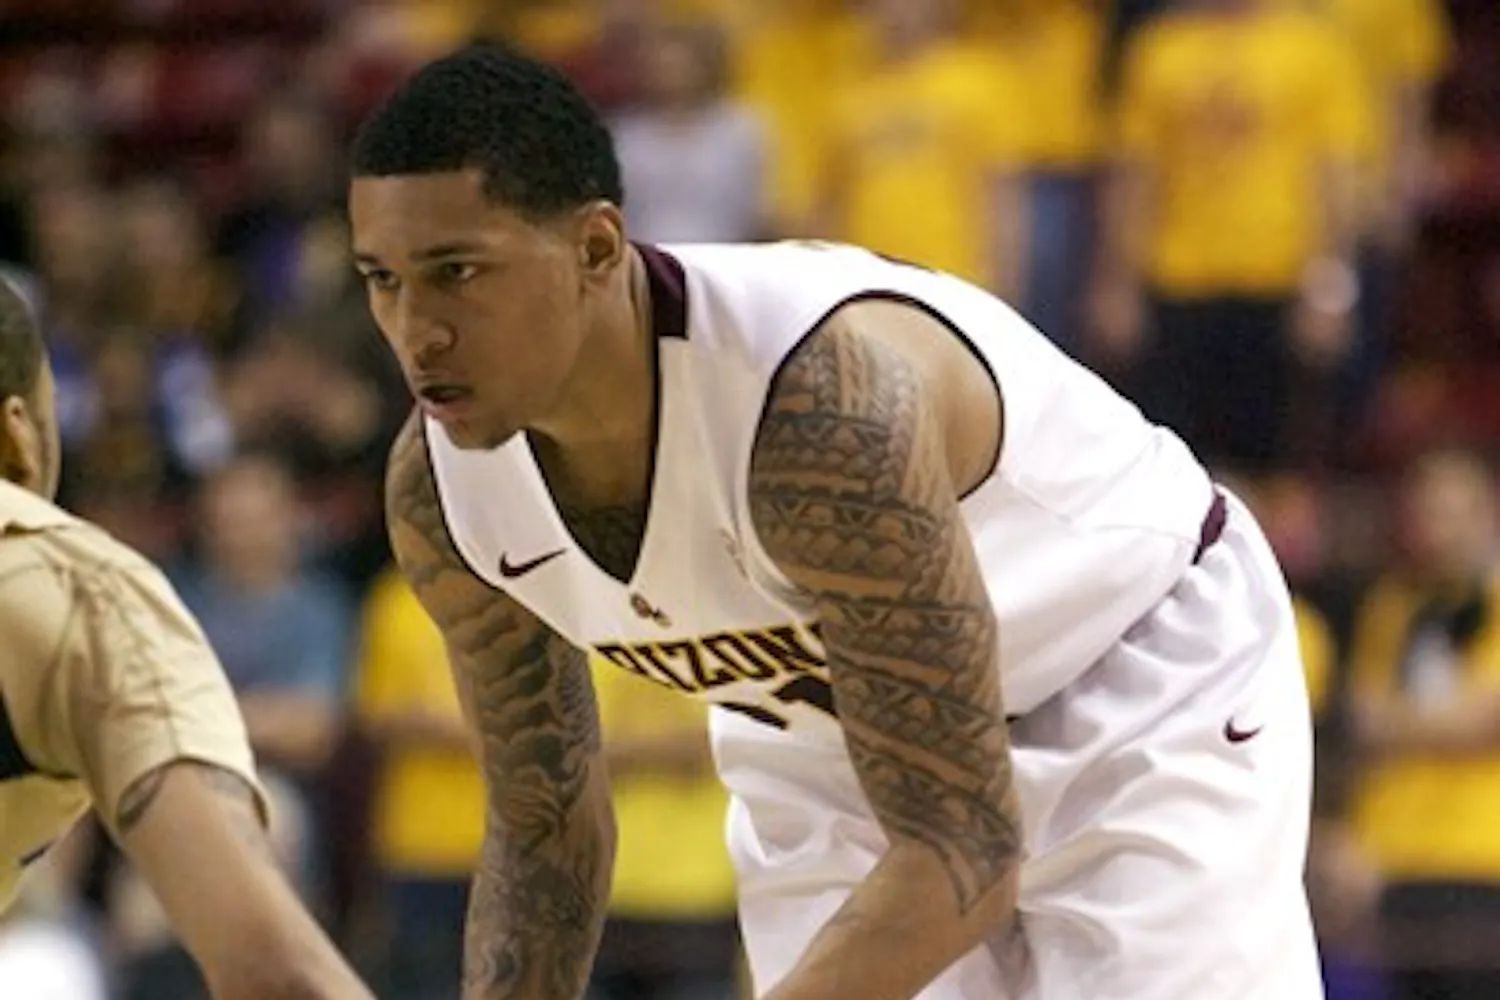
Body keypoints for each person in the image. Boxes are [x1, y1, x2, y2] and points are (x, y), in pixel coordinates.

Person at [348, 42, 1321, 1000]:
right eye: (382, 279)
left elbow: (963, 851)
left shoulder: (816, 408)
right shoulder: (441, 492)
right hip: (840, 734)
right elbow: (543, 822)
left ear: (597, 248)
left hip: (1129, 671)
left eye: (457, 272)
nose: (414, 329)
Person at [0, 272, 379, 1000]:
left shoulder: (313, 607)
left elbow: (316, 727)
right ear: (18, 434)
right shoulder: (79, 588)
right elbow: (278, 974)